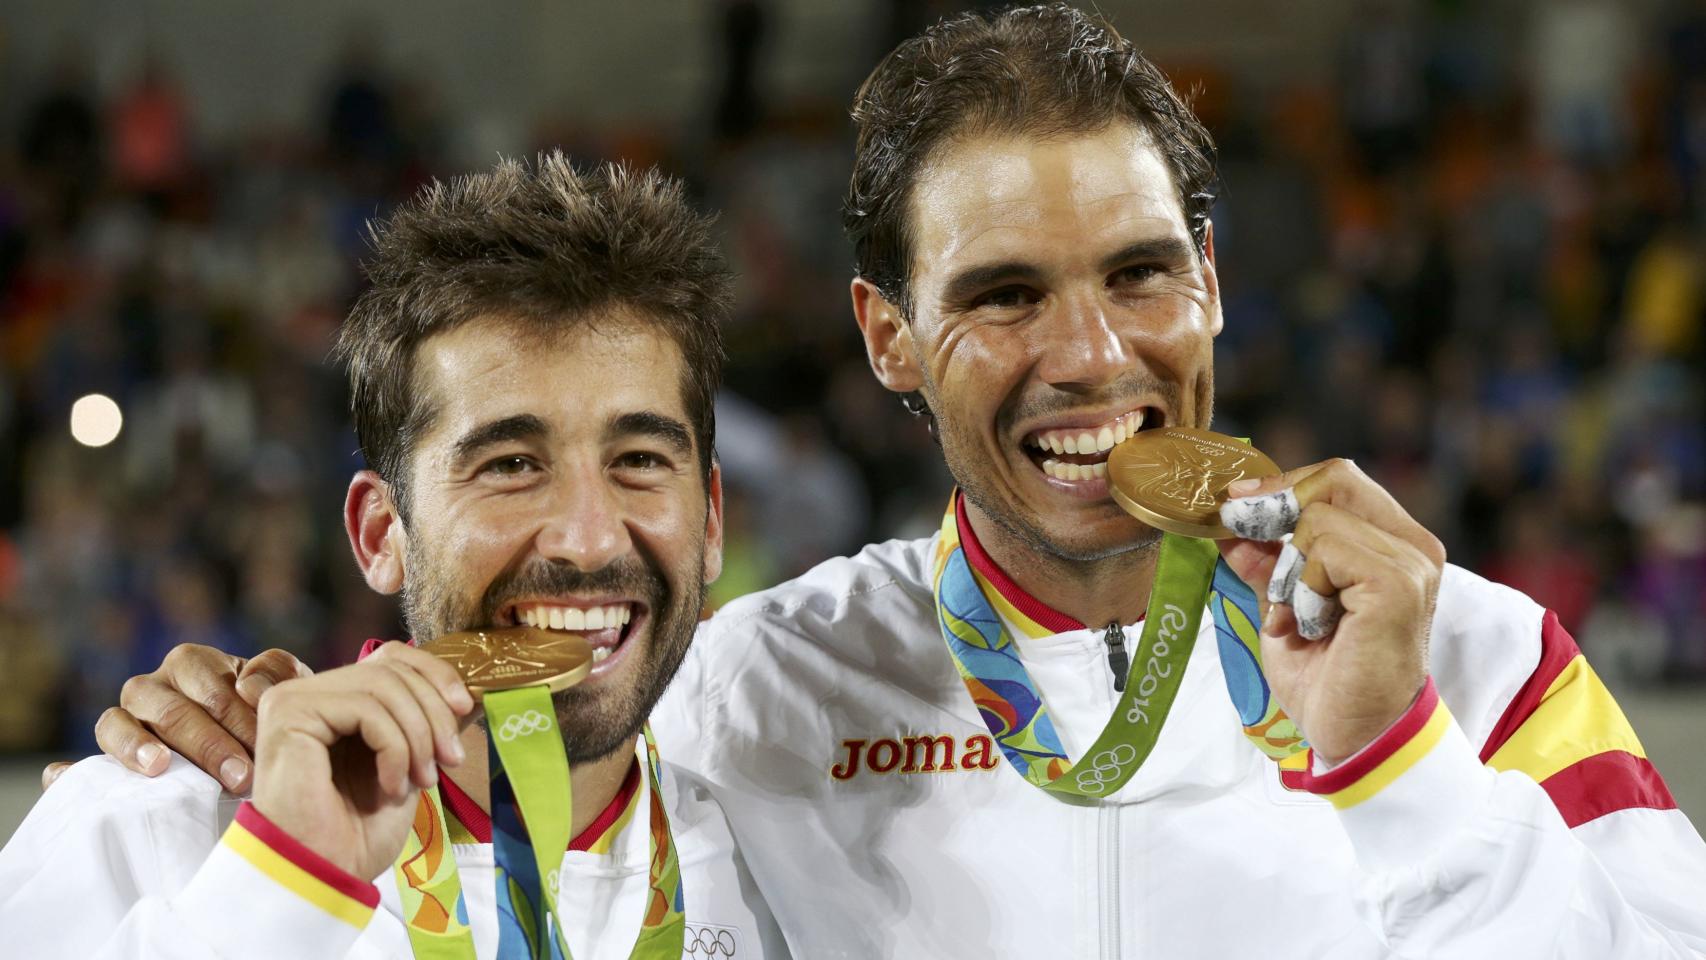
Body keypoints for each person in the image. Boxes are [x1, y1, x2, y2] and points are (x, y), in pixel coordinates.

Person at [60, 5, 1706, 958]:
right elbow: (515, 793)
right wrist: (227, 773)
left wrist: (1399, 760)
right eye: (1003, 294)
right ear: (888, 339)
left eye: (1139, 273)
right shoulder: (746, 691)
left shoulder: (1477, 658)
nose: (1089, 354)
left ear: (1210, 282)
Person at [0, 154, 788, 958]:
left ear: (711, 521)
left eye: (640, 461)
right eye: (511, 465)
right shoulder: (150, 836)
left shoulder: (790, 867)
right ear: (381, 535)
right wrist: (279, 885)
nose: (587, 540)